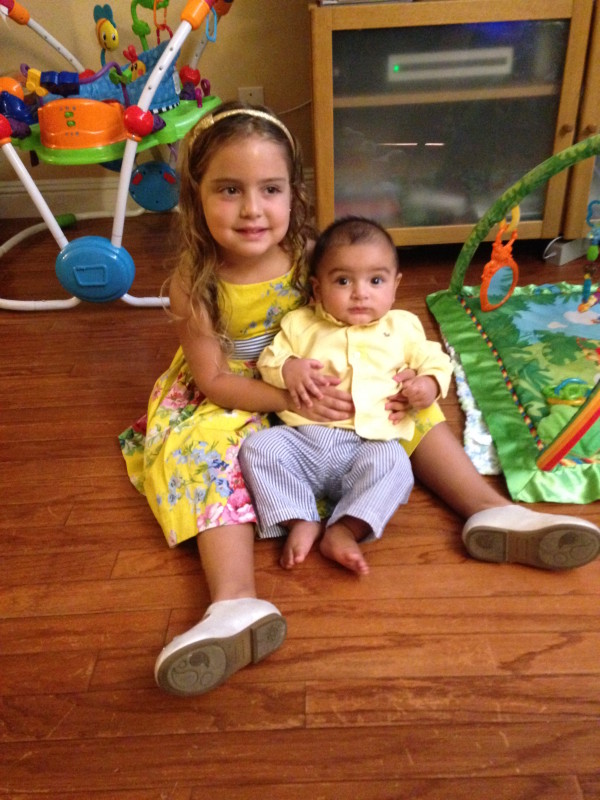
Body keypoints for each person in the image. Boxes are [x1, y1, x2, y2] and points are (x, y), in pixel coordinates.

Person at [119, 101, 600, 698]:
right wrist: (284, 393)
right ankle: (234, 602)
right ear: (196, 196)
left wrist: (398, 377)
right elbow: (214, 380)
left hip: (320, 370)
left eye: (270, 189)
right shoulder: (195, 284)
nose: (252, 209)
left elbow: (363, 307)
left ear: (293, 193)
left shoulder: (310, 255)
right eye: (229, 190)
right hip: (237, 389)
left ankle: (487, 508)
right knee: (203, 451)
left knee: (401, 402)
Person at [240, 216, 453, 575]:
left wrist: (429, 384)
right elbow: (270, 359)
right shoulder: (301, 323)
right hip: (303, 440)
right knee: (259, 449)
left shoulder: (402, 327)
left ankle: (345, 529)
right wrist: (288, 368)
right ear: (317, 287)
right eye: (343, 281)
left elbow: (436, 359)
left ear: (396, 285)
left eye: (376, 280)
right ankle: (300, 519)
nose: (360, 293)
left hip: (367, 446)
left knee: (396, 465)